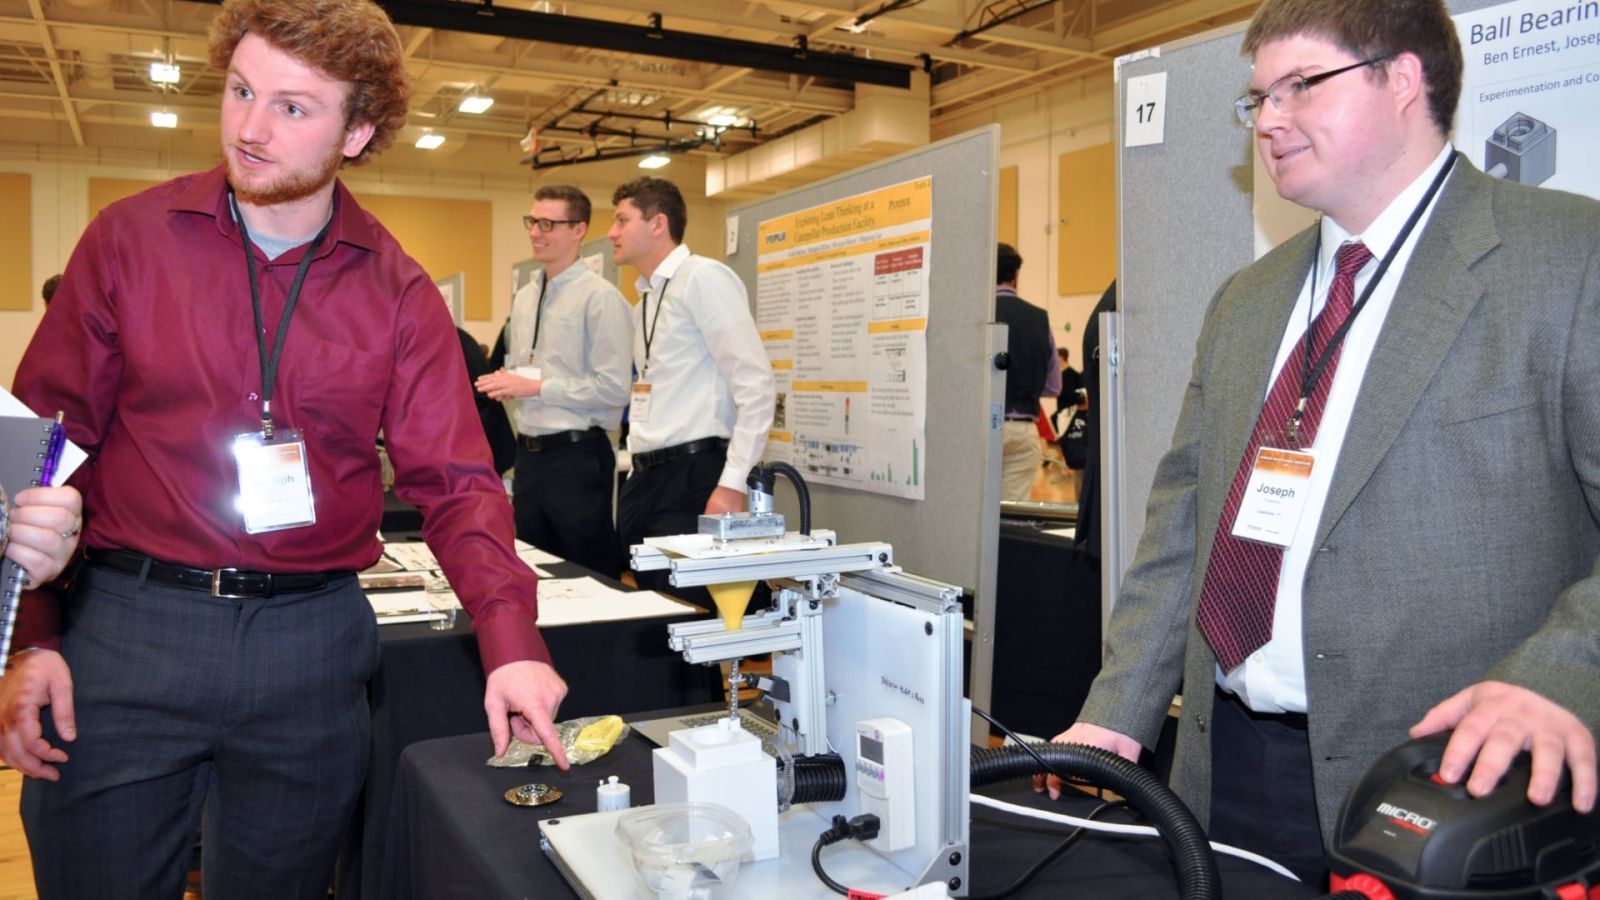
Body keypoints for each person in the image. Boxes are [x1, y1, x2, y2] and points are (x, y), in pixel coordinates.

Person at [0, 1, 570, 896]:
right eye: (239, 91)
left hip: (312, 651)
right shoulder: (129, 242)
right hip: (129, 634)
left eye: (294, 107)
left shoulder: (398, 292)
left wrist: (512, 643)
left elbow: (458, 483)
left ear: (359, 131)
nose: (250, 129)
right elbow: (43, 442)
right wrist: (28, 637)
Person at [1044, 0, 1599, 886]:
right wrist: (1118, 713)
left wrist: (1560, 679)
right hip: (1224, 767)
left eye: (1301, 85)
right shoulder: (1248, 299)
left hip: (1445, 787)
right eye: (1259, 96)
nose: (1268, 119)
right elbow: (1183, 524)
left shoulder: (1568, 258)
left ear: (1404, 78)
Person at [606, 176, 774, 602]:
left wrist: (732, 482)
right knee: (657, 614)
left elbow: (755, 385)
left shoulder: (704, 278)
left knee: (692, 617)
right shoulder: (645, 301)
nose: (611, 233)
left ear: (658, 223)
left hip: (694, 476)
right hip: (644, 477)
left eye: (622, 220)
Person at [476, 185, 631, 576]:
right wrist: (506, 379)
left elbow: (614, 388)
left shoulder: (601, 298)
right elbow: (526, 365)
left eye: (548, 223)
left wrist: (538, 388)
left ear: (579, 230)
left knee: (589, 574)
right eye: (532, 222)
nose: (535, 232)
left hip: (577, 456)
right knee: (536, 570)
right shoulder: (526, 297)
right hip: (529, 458)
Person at [994, 242, 1060, 501]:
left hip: (982, 426)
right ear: (1015, 275)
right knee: (1011, 517)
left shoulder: (977, 314)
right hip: (1023, 430)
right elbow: (1054, 386)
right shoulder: (1039, 318)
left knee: (974, 516)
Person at [1049, 347, 1084, 435]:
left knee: (1065, 436)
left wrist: (1056, 393)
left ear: (1061, 358)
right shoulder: (1069, 374)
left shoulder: (1068, 375)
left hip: (1067, 412)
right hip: (1066, 411)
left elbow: (1069, 394)